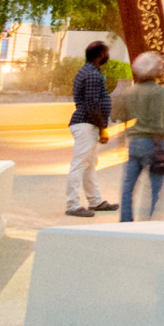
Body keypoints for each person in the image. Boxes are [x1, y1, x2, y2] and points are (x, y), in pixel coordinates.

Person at [64, 42, 117, 217]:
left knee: (89, 165)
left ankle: (95, 201)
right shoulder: (92, 75)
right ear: (100, 54)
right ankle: (72, 205)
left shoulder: (88, 71)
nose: (108, 56)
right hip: (87, 124)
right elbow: (92, 104)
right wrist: (103, 128)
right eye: (107, 53)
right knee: (80, 165)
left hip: (88, 124)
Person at [118, 52, 164, 222]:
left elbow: (124, 117)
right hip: (153, 142)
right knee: (156, 187)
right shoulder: (158, 92)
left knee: (128, 187)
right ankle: (150, 222)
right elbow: (157, 119)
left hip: (134, 142)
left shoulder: (131, 91)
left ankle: (126, 221)